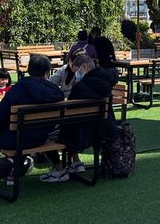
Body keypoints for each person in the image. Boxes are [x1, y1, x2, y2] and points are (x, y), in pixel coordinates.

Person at [40, 54, 117, 183]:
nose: (77, 75)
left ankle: (59, 168)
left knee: (46, 132)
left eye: (77, 71)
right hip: (104, 127)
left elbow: (69, 113)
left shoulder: (81, 87)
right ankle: (75, 163)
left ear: (85, 67)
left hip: (81, 133)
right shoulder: (108, 79)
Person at [0, 55, 65, 154]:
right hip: (41, 137)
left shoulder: (17, 90)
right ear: (47, 72)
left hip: (14, 139)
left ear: (29, 69)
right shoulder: (56, 93)